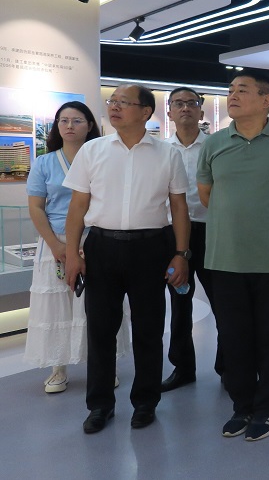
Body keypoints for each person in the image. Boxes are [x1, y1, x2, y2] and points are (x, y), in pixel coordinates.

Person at [63, 84, 190, 434]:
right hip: (101, 247)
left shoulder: (168, 154)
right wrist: (72, 254)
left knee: (149, 328)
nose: (114, 107)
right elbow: (78, 206)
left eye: (124, 102)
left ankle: (146, 402)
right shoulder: (93, 150)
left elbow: (179, 208)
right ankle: (100, 405)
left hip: (152, 248)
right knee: (100, 329)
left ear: (146, 111)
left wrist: (181, 254)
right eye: (112, 101)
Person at [197, 72, 269, 442]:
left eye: (242, 90)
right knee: (234, 337)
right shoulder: (215, 143)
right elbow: (206, 194)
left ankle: (267, 408)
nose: (232, 95)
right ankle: (242, 406)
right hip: (225, 258)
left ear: (265, 100)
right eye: (230, 90)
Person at [24, 101, 111, 394]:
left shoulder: (102, 159)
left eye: (77, 120)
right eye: (63, 121)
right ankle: (58, 369)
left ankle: (103, 368)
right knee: (57, 307)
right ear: (56, 127)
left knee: (99, 306)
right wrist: (56, 245)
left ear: (90, 125)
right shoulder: (44, 163)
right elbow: (36, 207)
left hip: (95, 240)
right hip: (54, 242)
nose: (69, 126)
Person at [161, 87, 221, 393]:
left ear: (201, 111)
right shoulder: (160, 150)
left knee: (223, 302)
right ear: (169, 111)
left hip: (213, 232)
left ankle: (228, 366)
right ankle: (183, 368)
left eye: (191, 103)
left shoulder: (216, 146)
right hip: (174, 237)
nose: (185, 108)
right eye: (178, 103)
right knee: (180, 302)